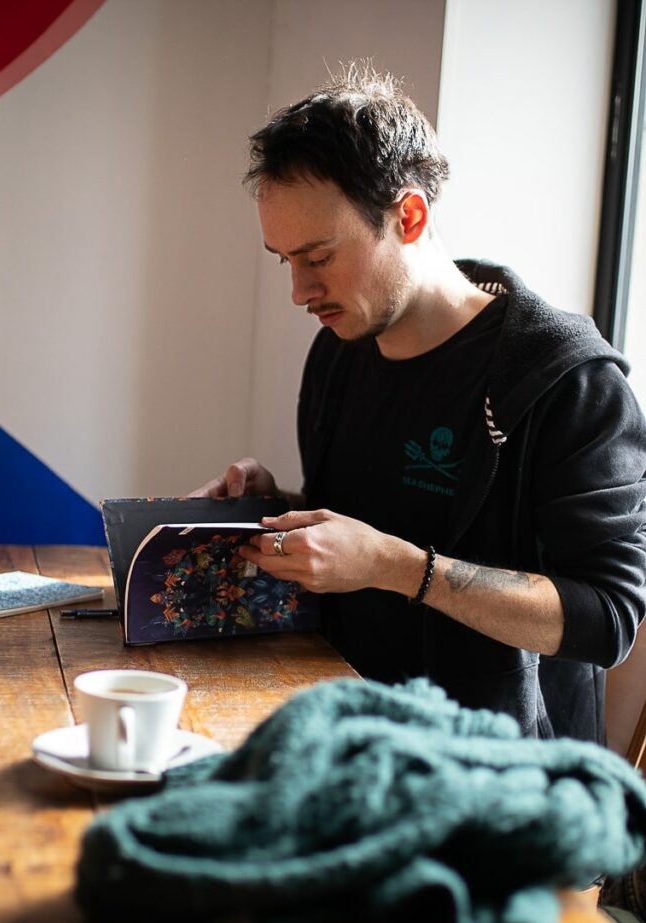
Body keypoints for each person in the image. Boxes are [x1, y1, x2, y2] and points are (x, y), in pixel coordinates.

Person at [191, 64, 646, 742]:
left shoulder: (569, 383)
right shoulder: (340, 349)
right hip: (335, 723)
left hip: (499, 777)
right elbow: (370, 526)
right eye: (283, 259)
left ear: (408, 215)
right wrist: (271, 504)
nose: (298, 291)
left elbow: (604, 618)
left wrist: (396, 567)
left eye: (317, 256)